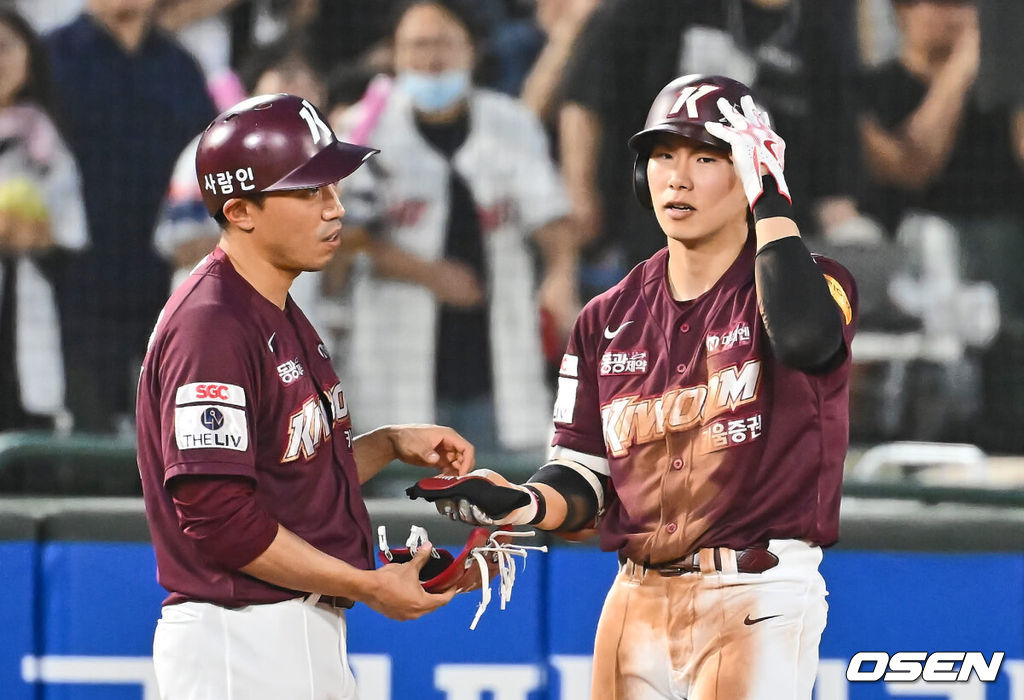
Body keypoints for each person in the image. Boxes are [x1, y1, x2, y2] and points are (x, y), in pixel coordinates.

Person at [412, 75, 858, 698]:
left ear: (754, 171)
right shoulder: (604, 317)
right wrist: (523, 503)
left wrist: (774, 205)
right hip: (636, 596)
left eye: (706, 157)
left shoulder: (809, 284)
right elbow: (585, 476)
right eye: (662, 155)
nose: (677, 176)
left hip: (756, 591)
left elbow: (808, 342)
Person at [137, 93, 472, 699]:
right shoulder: (212, 324)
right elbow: (221, 519)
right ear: (240, 210)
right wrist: (367, 584)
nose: (335, 208)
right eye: (309, 191)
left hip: (284, 630)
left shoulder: (272, 305)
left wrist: (390, 444)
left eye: (333, 187)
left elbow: (288, 472)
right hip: (240, 639)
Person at [339, 0, 577, 452]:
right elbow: (342, 239)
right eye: (417, 46)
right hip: (395, 357)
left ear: (471, 50)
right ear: (394, 55)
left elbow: (552, 218)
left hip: (494, 363)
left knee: (500, 501)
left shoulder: (510, 122)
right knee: (403, 509)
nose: (432, 58)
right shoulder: (361, 130)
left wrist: (560, 275)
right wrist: (429, 273)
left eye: (444, 44)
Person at [559, 0, 865, 290]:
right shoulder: (661, 8)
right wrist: (580, 191)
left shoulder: (822, 27)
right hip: (657, 234)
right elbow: (587, 96)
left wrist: (854, 245)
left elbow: (832, 183)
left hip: (764, 249)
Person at [856, 0, 1024, 449]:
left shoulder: (1000, 88)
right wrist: (960, 70)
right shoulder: (876, 87)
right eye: (943, 5)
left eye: (967, 6)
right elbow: (915, 164)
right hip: (908, 262)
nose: (957, 17)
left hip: (1002, 260)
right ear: (904, 12)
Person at [45, 0, 216, 433]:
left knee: (173, 441)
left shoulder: (181, 66)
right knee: (83, 440)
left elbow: (210, 162)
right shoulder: (50, 58)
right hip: (72, 292)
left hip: (168, 292)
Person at [154, 42, 332, 333]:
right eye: (285, 78)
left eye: (308, 82)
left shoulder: (330, 166)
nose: (297, 89)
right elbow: (180, 248)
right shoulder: (210, 154)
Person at [0, 8, 87, 431]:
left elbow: (71, 238)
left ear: (29, 58)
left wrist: (40, 238)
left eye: (5, 48)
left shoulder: (47, 145)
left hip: (24, 328)